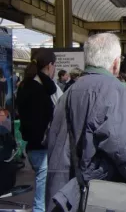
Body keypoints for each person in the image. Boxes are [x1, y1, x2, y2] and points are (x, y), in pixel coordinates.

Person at [44, 33, 126, 212]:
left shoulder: (68, 93)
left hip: (67, 192)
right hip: (102, 194)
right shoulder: (115, 90)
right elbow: (121, 144)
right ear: (115, 63)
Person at [17, 49, 59, 212]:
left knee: (41, 194)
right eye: (54, 66)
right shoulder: (41, 91)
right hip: (42, 147)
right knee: (41, 199)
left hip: (31, 147)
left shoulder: (24, 86)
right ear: (49, 66)